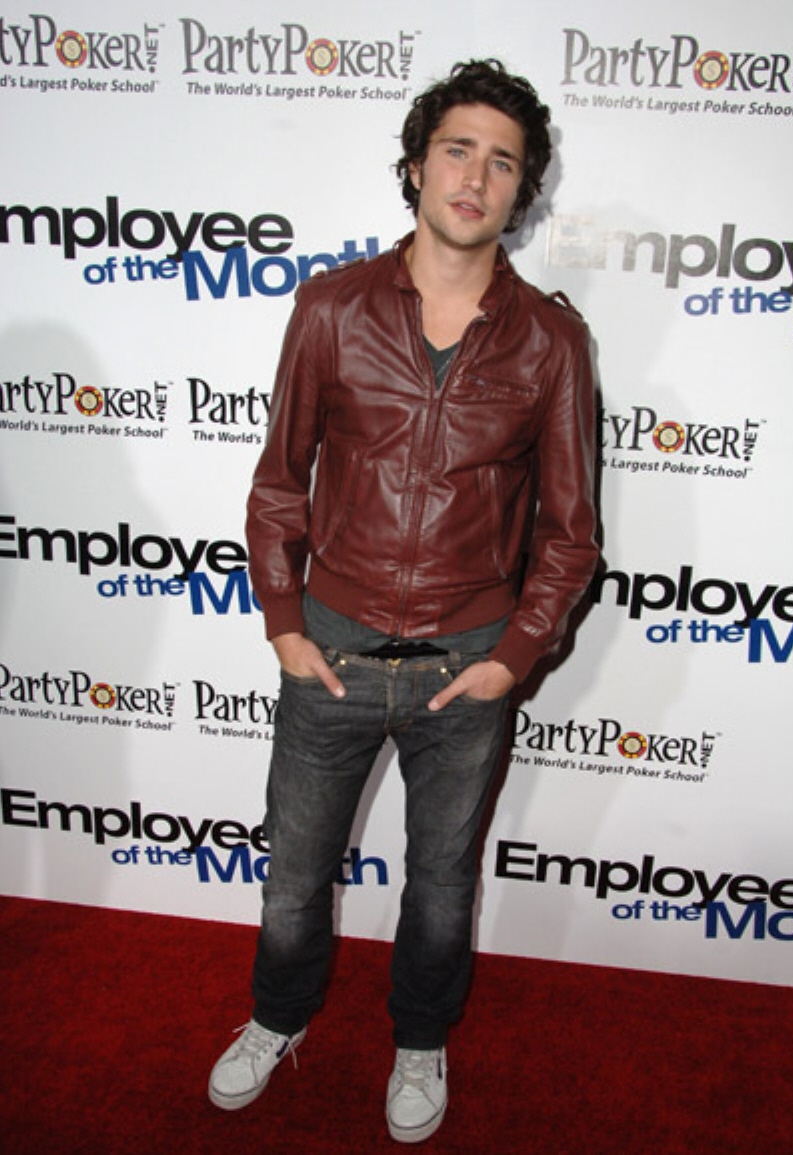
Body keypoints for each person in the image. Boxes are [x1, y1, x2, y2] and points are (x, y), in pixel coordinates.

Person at [208, 58, 598, 1144]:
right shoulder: (330, 308)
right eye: (457, 150)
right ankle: (277, 1015)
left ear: (521, 190)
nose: (476, 176)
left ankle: (420, 1038)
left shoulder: (552, 341)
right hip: (328, 649)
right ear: (418, 166)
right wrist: (284, 625)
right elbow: (278, 485)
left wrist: (512, 658)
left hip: (466, 665)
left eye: (502, 161)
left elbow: (570, 534)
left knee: (439, 885)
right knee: (294, 876)